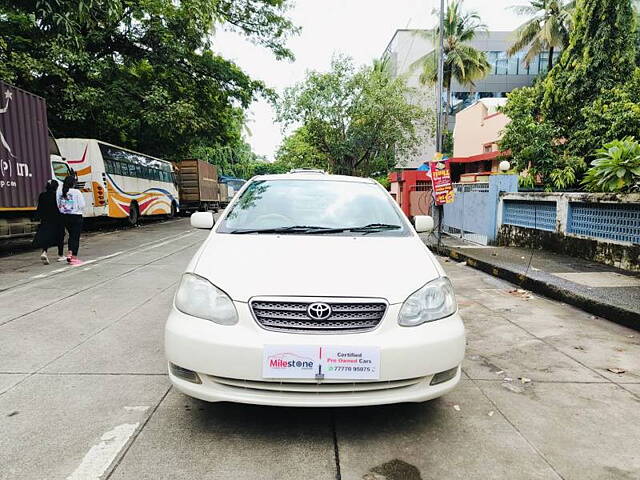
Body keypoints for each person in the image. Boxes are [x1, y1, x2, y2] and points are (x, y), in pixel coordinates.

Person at [33, 179, 65, 264]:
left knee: (46, 237)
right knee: (60, 237)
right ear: (56, 187)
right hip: (58, 219)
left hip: (46, 220)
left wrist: (38, 217)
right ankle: (60, 255)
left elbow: (39, 208)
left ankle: (44, 252)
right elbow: (62, 207)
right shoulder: (58, 196)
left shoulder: (42, 195)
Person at [57, 175, 85, 264]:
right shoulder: (76, 192)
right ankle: (74, 257)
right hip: (76, 216)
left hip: (64, 216)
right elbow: (82, 205)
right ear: (73, 183)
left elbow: (58, 204)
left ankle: (69, 253)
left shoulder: (59, 192)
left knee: (71, 236)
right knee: (75, 237)